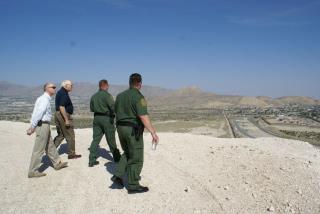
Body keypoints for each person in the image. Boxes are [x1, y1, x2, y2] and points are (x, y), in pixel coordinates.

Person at [111, 73, 159, 194]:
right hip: (132, 130)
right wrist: (153, 132)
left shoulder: (120, 96)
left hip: (120, 128)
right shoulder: (138, 97)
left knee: (127, 152)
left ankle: (118, 175)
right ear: (140, 83)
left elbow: (115, 111)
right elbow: (143, 116)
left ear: (129, 83)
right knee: (137, 157)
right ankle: (133, 185)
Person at [27, 83, 68, 178]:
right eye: (52, 87)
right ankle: (32, 171)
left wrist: (32, 125)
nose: (54, 89)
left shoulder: (43, 99)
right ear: (46, 88)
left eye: (55, 87)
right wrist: (32, 126)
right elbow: (39, 113)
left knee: (50, 145)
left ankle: (57, 163)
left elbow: (35, 113)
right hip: (42, 125)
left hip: (44, 125)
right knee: (39, 149)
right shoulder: (44, 99)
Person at [88, 79, 121, 167]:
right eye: (108, 85)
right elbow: (113, 107)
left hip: (96, 118)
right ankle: (117, 158)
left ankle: (91, 160)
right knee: (111, 139)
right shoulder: (107, 95)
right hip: (106, 119)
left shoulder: (94, 96)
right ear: (105, 85)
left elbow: (91, 109)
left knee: (96, 139)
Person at [54, 80, 81, 159]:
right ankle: (71, 154)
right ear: (66, 86)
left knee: (61, 135)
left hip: (58, 114)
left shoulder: (60, 92)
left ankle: (50, 150)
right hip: (63, 115)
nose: (72, 87)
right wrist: (66, 119)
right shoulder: (64, 94)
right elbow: (62, 106)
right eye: (71, 85)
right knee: (70, 135)